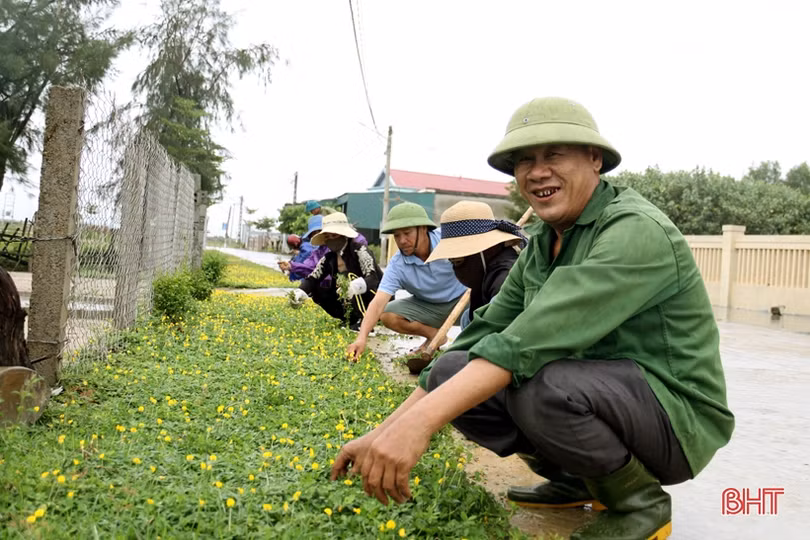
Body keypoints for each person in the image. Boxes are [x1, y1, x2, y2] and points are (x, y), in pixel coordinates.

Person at [330, 97, 734, 540]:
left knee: (540, 385)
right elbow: (481, 335)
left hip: (675, 417)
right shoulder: (543, 242)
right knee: (449, 368)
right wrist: (385, 431)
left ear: (594, 159)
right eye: (524, 160)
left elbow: (521, 347)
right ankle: (576, 479)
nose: (537, 171)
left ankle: (641, 504)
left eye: (554, 155)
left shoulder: (634, 232)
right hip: (600, 395)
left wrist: (420, 426)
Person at [346, 202, 467, 361]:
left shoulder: (448, 240)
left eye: (407, 233)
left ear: (423, 229)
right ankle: (435, 336)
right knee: (388, 314)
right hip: (429, 308)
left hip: (465, 301)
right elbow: (377, 303)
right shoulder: (398, 264)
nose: (402, 240)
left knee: (487, 309)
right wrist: (361, 338)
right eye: (397, 235)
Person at [425, 200, 527, 330]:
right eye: (453, 263)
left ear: (484, 251)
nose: (458, 270)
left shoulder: (505, 280)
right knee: (467, 317)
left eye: (459, 262)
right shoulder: (488, 273)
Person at [291, 213, 383, 328]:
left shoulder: (359, 250)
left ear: (343, 235)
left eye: (334, 236)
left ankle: (365, 320)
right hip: (350, 300)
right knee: (318, 290)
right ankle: (349, 318)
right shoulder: (329, 258)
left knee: (351, 279)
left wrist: (356, 285)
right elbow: (313, 277)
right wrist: (300, 291)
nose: (331, 241)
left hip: (375, 298)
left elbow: (373, 278)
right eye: (327, 237)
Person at [279, 215, 328, 281]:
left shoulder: (335, 250)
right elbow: (308, 267)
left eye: (320, 231)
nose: (317, 235)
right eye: (314, 233)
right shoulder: (318, 251)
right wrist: (291, 266)